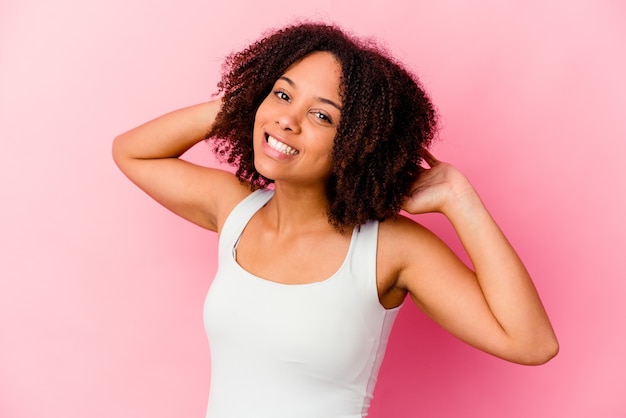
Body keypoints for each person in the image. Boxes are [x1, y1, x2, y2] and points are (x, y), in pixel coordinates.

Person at [112, 22, 558, 418]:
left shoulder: (389, 249)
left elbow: (531, 343)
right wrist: (250, 103)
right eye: (283, 93)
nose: (288, 119)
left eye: (321, 115)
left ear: (357, 143)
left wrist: (461, 200)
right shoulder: (234, 209)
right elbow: (131, 151)